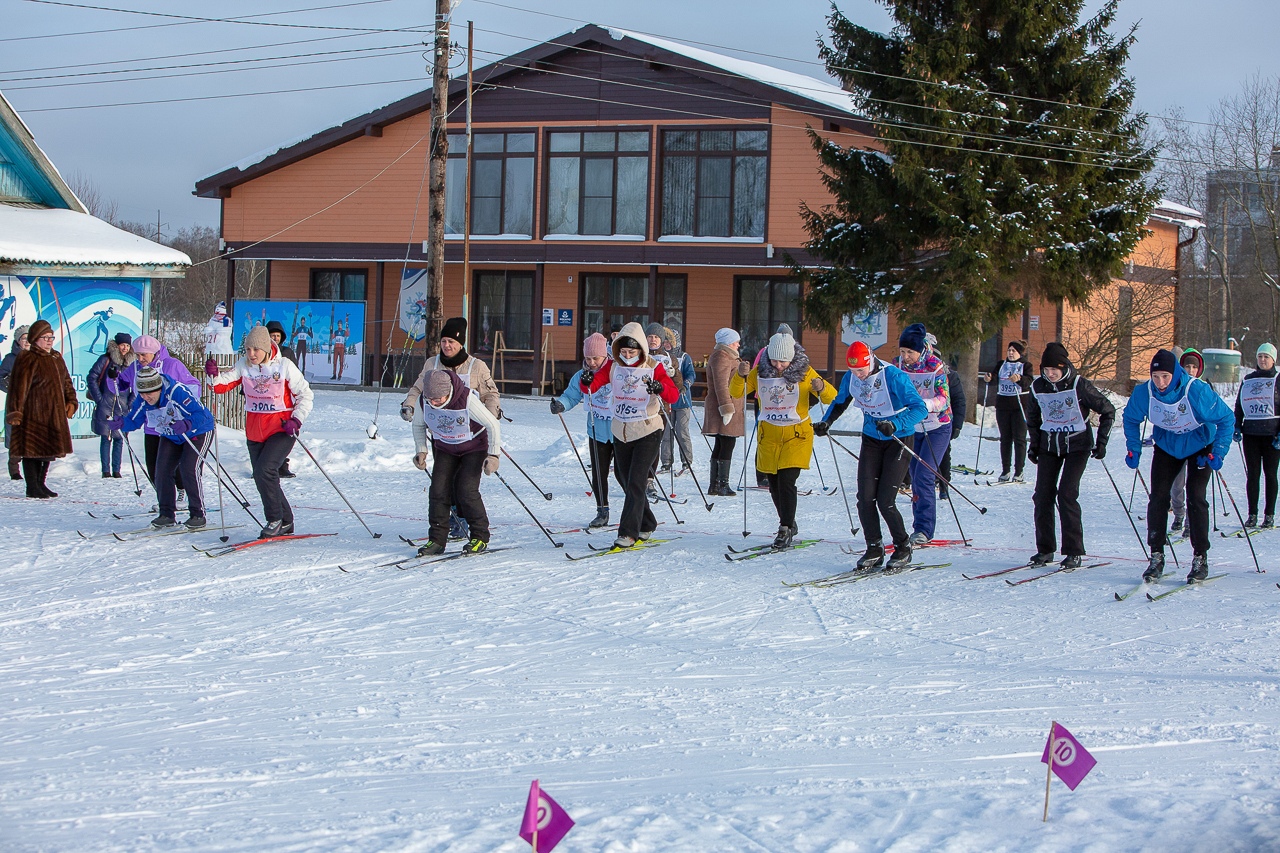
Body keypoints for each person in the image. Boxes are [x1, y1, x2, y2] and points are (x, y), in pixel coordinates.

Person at [1123, 349, 1234, 583]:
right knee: (1158, 498)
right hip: (1168, 445)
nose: (1160, 383)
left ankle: (1200, 557)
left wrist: (1218, 452)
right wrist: (1134, 447)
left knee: (1196, 496)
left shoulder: (1196, 390)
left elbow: (1226, 419)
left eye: (1165, 376)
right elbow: (1131, 418)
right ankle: (1156, 555)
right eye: (1156, 377)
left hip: (1200, 445)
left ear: (1175, 374)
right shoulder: (1145, 392)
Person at [815, 341, 927, 569]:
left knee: (886, 501)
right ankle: (874, 547)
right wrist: (827, 421)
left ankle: (903, 547)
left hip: (898, 439)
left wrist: (895, 424)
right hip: (872, 439)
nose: (858, 376)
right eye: (854, 371)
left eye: (861, 371)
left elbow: (920, 408)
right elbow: (840, 401)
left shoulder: (893, 377)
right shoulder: (851, 377)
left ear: (871, 361)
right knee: (865, 499)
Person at [731, 330, 837, 549]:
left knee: (787, 480)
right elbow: (737, 391)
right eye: (775, 360)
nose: (779, 365)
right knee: (774, 485)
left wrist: (821, 387)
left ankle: (785, 527)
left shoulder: (804, 372)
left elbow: (832, 397)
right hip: (769, 436)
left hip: (797, 435)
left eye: (783, 361)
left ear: (792, 358)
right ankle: (789, 521)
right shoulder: (761, 372)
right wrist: (739, 375)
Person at [207, 324, 314, 538]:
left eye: (256, 349)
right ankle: (286, 521)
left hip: (281, 429)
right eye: (248, 349)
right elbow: (220, 386)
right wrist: (213, 375)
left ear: (266, 348)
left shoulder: (284, 366)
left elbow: (306, 395)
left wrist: (296, 419)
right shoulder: (244, 366)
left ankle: (274, 519)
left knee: (264, 471)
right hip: (255, 431)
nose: (251, 354)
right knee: (263, 476)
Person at [401, 317, 500, 539]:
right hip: (443, 433)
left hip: (472, 433)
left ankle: (465, 519)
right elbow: (418, 389)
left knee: (464, 482)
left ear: (461, 344)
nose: (447, 346)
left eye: (452, 342)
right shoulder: (432, 364)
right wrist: (409, 405)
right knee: (444, 480)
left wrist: (492, 413)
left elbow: (490, 394)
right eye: (444, 341)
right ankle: (453, 518)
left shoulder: (476, 366)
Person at [585, 322, 680, 549]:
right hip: (621, 430)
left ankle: (628, 532)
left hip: (648, 429)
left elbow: (673, 395)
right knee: (623, 477)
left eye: (632, 352)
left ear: (641, 350)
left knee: (637, 480)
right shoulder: (614, 367)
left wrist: (659, 388)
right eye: (623, 352)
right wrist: (586, 381)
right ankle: (647, 522)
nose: (627, 356)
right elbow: (592, 384)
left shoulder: (653, 367)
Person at [1025, 342, 1115, 568]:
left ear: (1064, 366)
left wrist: (1102, 442)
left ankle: (1074, 551)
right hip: (1049, 446)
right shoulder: (1038, 387)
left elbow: (1107, 410)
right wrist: (1034, 445)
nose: (1050, 374)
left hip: (1078, 445)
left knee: (1067, 494)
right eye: (1046, 370)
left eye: (1055, 369)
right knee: (1042, 496)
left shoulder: (1078, 385)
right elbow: (1033, 419)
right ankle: (1045, 550)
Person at [411, 369, 502, 556]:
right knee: (438, 491)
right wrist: (421, 450)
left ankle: (479, 537)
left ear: (449, 391)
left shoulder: (466, 398)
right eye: (430, 399)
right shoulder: (424, 401)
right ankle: (436, 540)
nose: (434, 403)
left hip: (473, 448)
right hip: (445, 448)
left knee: (466, 490)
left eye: (439, 399)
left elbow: (493, 424)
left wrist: (493, 456)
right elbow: (418, 425)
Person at [114, 366, 215, 528]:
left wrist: (188, 423)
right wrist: (121, 423)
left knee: (188, 468)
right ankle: (166, 513)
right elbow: (134, 420)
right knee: (161, 470)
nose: (146, 397)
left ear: (159, 388)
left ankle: (198, 514)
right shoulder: (143, 399)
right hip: (171, 434)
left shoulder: (177, 392)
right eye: (142, 394)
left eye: (150, 393)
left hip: (198, 432)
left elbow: (203, 415)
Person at [3, 320, 78, 498]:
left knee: (48, 451)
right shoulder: (27, 358)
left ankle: (41, 484)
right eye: (45, 337)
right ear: (35, 338)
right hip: (33, 413)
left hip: (53, 413)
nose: (49, 340)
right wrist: (16, 411)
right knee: (32, 451)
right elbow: (18, 387)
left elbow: (67, 382)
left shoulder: (56, 357)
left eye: (51, 337)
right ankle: (32, 486)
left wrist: (71, 401)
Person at [894, 323, 954, 546]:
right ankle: (918, 524)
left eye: (910, 352)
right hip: (912, 428)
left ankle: (924, 529)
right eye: (903, 351)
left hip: (937, 426)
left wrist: (923, 405)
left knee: (924, 476)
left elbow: (943, 398)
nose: (906, 356)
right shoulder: (897, 366)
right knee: (914, 475)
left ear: (921, 350)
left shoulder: (935, 366)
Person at [549, 333, 615, 528]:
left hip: (620, 431)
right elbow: (571, 396)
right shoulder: (581, 376)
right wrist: (560, 405)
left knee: (623, 474)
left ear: (605, 356)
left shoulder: (615, 372)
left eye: (596, 358)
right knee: (599, 473)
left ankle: (635, 509)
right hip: (597, 431)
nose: (592, 362)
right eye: (588, 358)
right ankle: (602, 511)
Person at [124, 334, 200, 500]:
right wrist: (114, 378)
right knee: (154, 468)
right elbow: (122, 381)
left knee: (173, 465)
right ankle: (165, 501)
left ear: (154, 352)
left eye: (144, 354)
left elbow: (193, 386)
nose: (140, 358)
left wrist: (184, 408)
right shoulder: (136, 367)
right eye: (137, 355)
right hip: (151, 425)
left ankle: (181, 493)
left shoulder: (172, 365)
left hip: (172, 424)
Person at [1233, 342, 1280, 528]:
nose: (1262, 360)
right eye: (1260, 356)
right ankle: (1252, 514)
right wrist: (1236, 425)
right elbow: (1239, 405)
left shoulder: (1278, 378)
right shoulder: (1248, 379)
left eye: (1266, 357)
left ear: (1273, 359)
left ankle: (1269, 514)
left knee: (1270, 475)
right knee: (1252, 475)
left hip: (1271, 435)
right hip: (1251, 433)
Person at [702, 328, 745, 497]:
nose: (738, 344)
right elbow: (721, 384)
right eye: (736, 341)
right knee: (726, 443)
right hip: (724, 407)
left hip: (725, 406)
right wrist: (727, 407)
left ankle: (715, 484)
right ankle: (721, 484)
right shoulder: (722, 356)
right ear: (728, 343)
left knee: (721, 444)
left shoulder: (726, 355)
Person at [981, 341, 1033, 482]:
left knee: (1019, 439)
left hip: (1019, 406)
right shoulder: (1001, 364)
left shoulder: (1025, 365)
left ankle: (1019, 471)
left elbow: (1028, 381)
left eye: (1013, 351)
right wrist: (989, 378)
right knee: (1005, 438)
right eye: (1009, 350)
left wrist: (1020, 379)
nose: (1010, 353)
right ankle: (1005, 470)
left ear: (1020, 353)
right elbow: (994, 378)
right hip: (1003, 405)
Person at [86, 332, 135, 478]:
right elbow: (92, 377)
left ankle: (117, 470)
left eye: (127, 345)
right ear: (116, 345)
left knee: (119, 438)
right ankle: (105, 470)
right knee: (106, 437)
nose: (125, 348)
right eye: (122, 345)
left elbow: (136, 386)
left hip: (122, 407)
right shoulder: (105, 360)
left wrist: (129, 403)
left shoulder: (131, 365)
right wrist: (99, 399)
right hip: (106, 405)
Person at [1169, 348, 1204, 531]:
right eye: (1187, 366)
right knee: (1176, 483)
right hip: (1178, 441)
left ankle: (1192, 520)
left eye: (1193, 367)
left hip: (1198, 442)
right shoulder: (1175, 387)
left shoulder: (1203, 388)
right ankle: (1178, 514)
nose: (1190, 370)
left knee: (1194, 485)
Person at [660, 327, 696, 476]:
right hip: (667, 401)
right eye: (665, 340)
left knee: (682, 431)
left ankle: (686, 461)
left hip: (682, 401)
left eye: (670, 340)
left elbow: (691, 375)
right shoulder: (661, 356)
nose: (667, 343)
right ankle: (666, 462)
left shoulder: (684, 357)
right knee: (666, 432)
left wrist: (685, 385)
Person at [267, 321, 298, 479]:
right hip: (265, 400)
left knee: (283, 435)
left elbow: (296, 374)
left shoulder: (287, 352)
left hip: (283, 400)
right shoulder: (261, 353)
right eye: (272, 336)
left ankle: (282, 465)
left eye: (277, 336)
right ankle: (262, 466)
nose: (275, 338)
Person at [0, 324, 29, 480]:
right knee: (15, 435)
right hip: (15, 404)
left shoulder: (37, 357)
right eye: (23, 338)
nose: (27, 341)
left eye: (29, 338)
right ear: (18, 341)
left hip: (33, 403)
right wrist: (11, 388)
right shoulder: (10, 359)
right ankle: (14, 469)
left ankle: (31, 470)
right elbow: (0, 377)